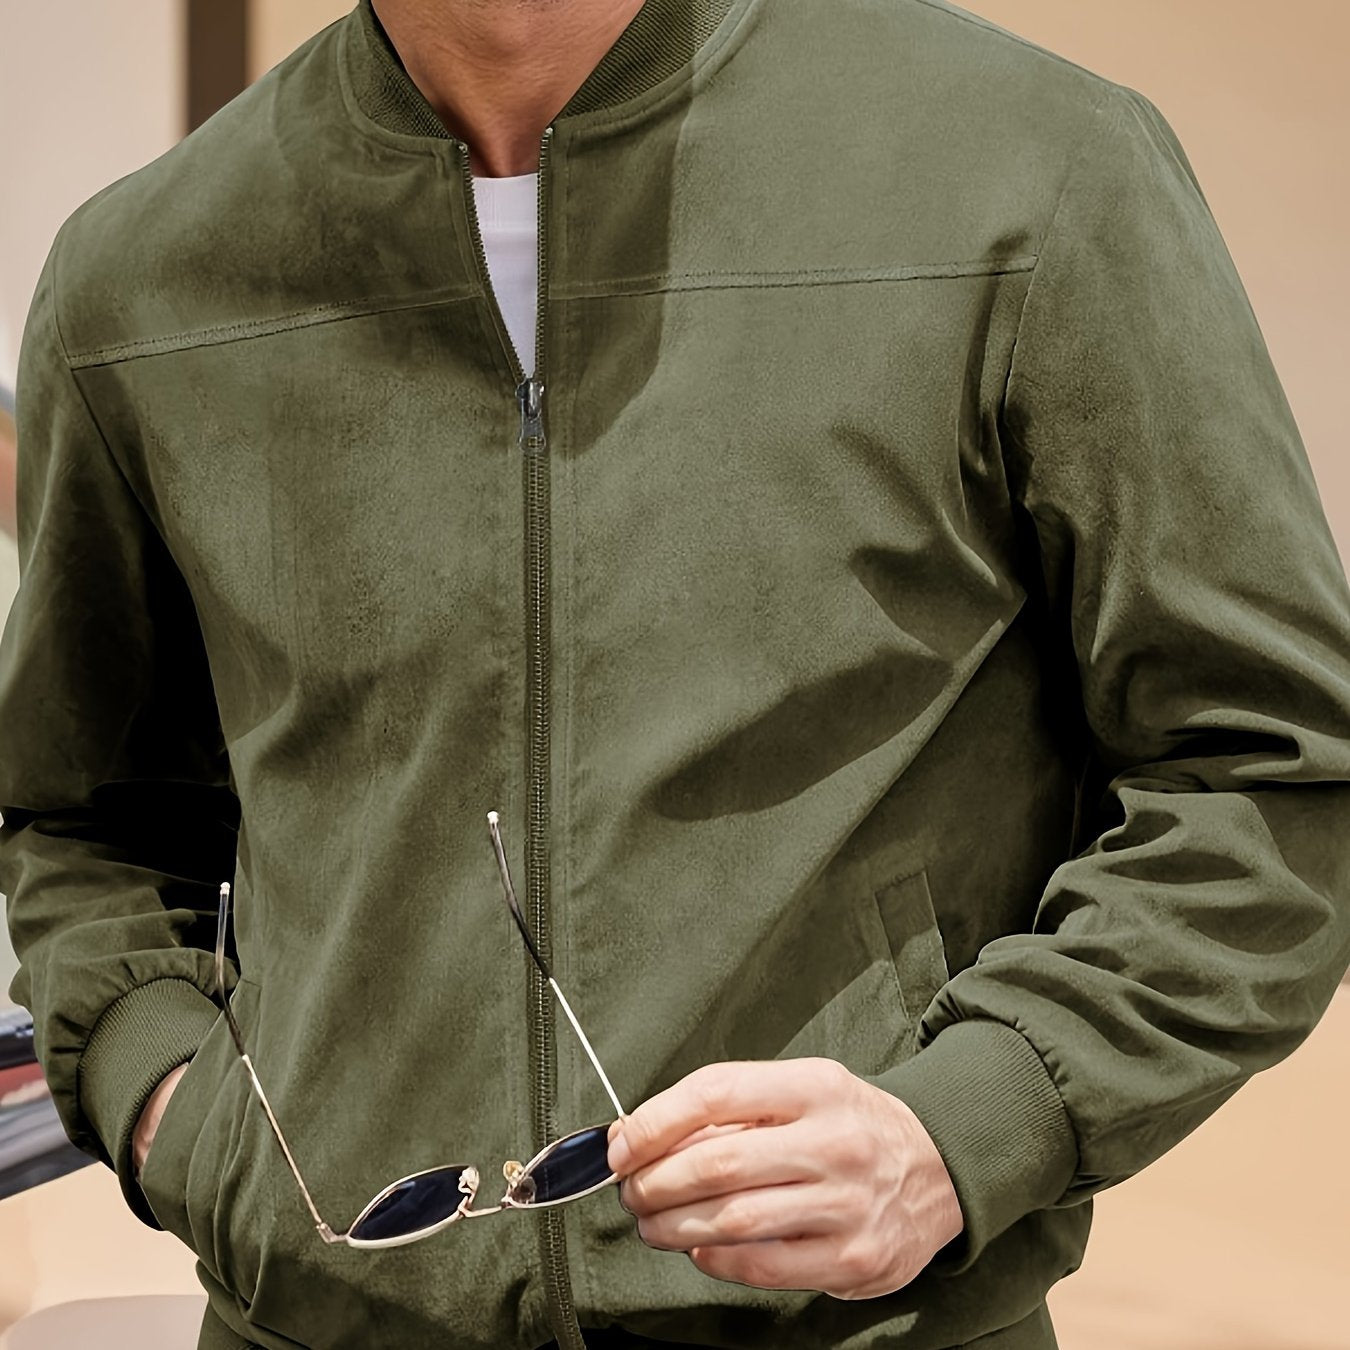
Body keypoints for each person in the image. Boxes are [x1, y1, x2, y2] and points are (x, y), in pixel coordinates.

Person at [2, 1, 1348, 1348]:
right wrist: (173, 1105)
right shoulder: (142, 277)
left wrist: (970, 1121)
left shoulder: (1032, 172)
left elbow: (1279, 769)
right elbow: (82, 818)